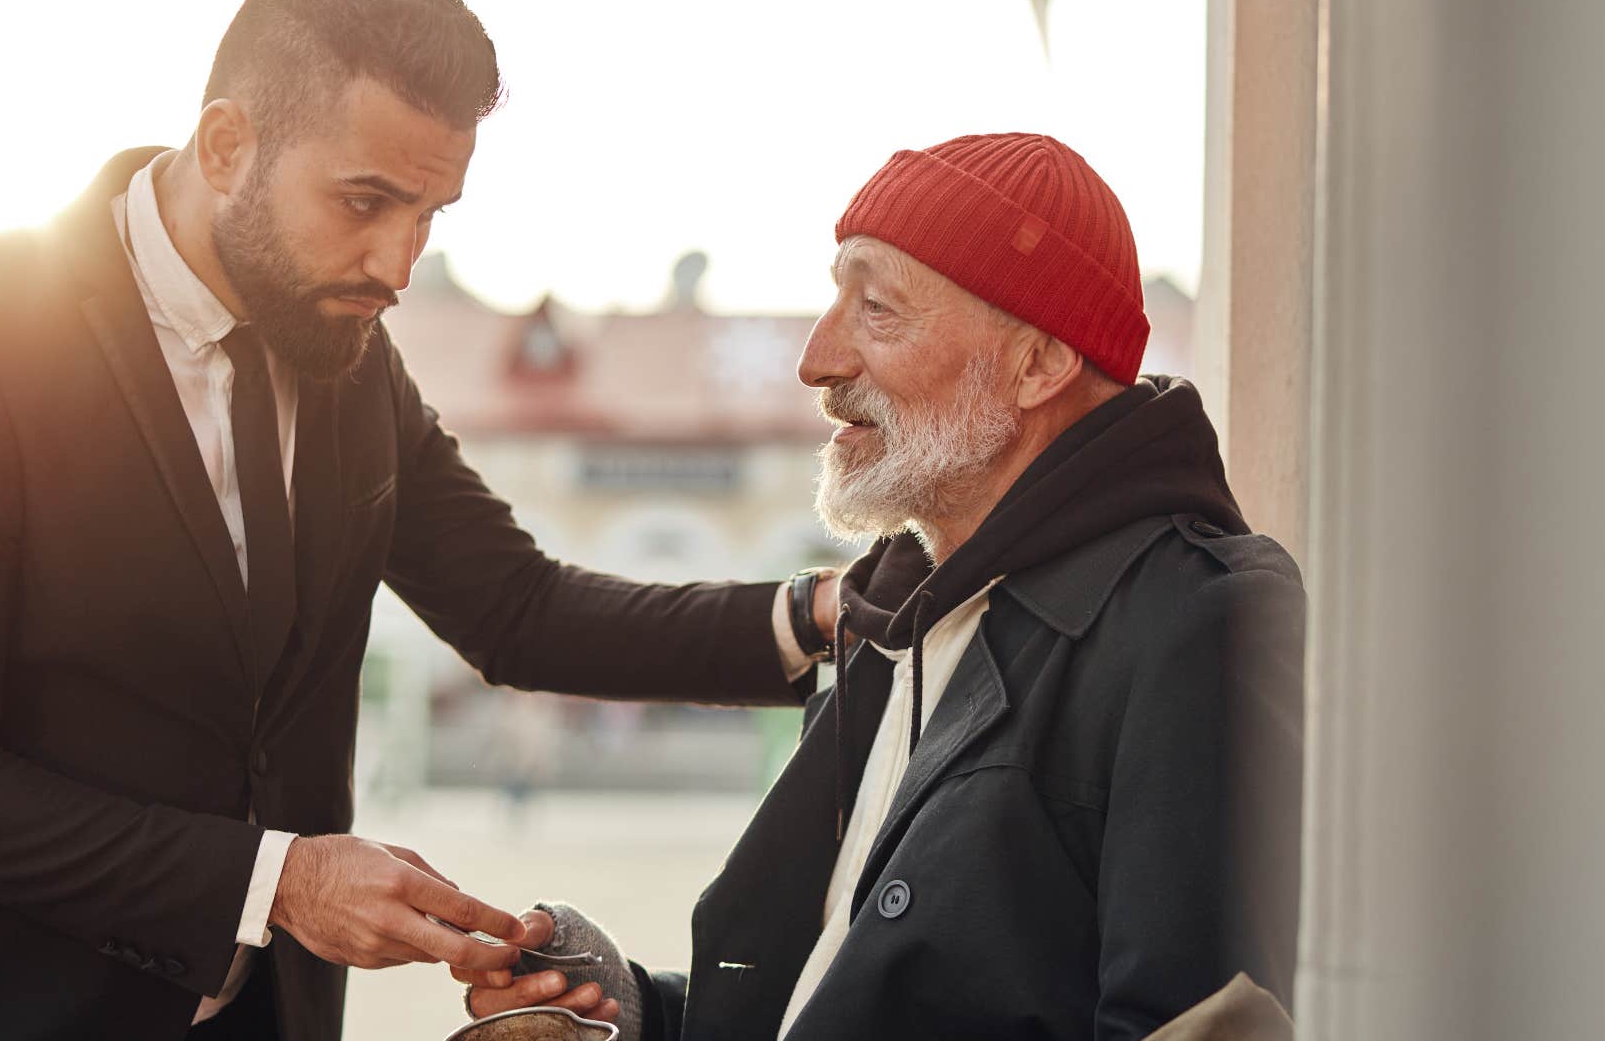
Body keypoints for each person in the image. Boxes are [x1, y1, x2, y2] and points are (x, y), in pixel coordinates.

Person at [0, 0, 837, 1038]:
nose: (399, 264)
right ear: (226, 146)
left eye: (431, 213)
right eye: (365, 202)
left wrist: (819, 618)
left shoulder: (350, 350)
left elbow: (517, 608)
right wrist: (277, 883)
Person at [462, 133, 1306, 1039]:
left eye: (878, 310)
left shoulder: (1200, 620)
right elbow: (841, 989)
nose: (817, 360)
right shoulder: (898, 611)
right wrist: (638, 1013)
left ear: (1038, 364)